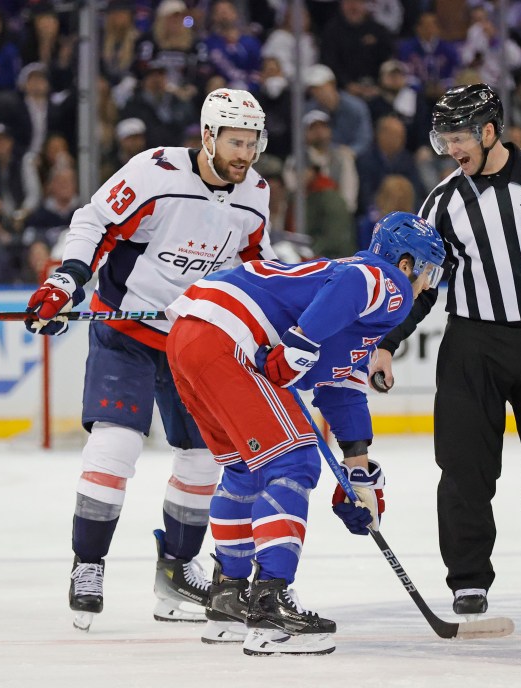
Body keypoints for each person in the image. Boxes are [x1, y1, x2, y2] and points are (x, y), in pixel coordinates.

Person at [24, 88, 275, 632]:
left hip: (195, 341)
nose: (245, 153)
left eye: (252, 143)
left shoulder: (255, 192)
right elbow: (93, 221)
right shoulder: (154, 172)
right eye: (235, 141)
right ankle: (87, 565)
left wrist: (269, 329)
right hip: (126, 328)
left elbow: (256, 264)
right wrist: (66, 278)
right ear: (207, 136)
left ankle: (177, 572)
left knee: (204, 459)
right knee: (115, 443)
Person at [370, 84, 521, 632]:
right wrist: (386, 343)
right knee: (463, 471)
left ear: (489, 131)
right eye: (445, 140)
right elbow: (424, 288)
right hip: (470, 348)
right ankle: (469, 581)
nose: (452, 149)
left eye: (459, 137)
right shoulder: (442, 201)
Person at [165, 211, 446, 655]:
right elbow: (354, 283)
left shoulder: (361, 328)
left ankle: (228, 599)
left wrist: (359, 479)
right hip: (229, 337)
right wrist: (299, 342)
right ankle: (270, 604)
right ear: (407, 263)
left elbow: (344, 397)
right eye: (428, 271)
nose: (428, 285)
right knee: (294, 460)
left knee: (244, 470)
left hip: (193, 336)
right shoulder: (387, 282)